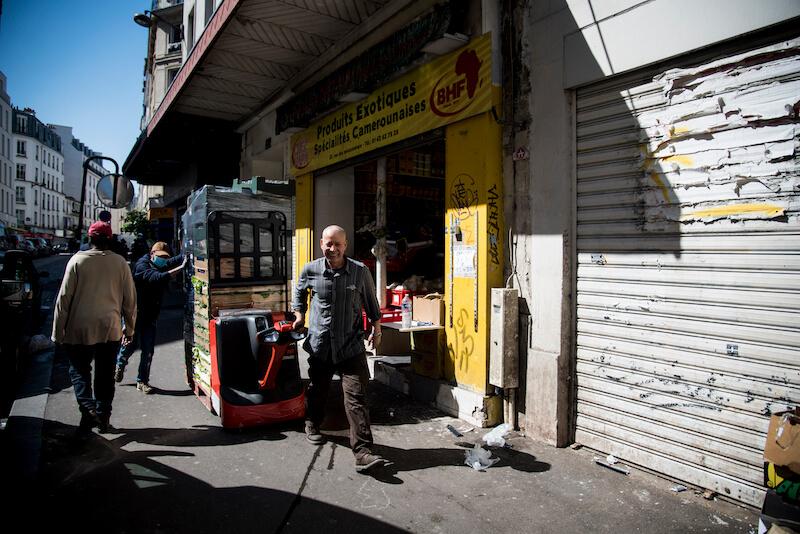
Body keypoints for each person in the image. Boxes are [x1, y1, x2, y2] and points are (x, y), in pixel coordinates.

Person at [292, 225, 388, 473]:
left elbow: (371, 303)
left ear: (345, 245)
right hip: (320, 345)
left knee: (356, 398)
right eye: (328, 244)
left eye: (338, 244)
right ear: (321, 243)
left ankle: (363, 452)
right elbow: (299, 294)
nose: (332, 249)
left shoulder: (359, 272)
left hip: (350, 346)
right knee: (318, 390)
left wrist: (376, 330)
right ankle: (312, 423)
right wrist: (299, 315)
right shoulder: (310, 269)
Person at [52, 221, 136, 435]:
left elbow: (64, 299)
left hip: (78, 328)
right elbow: (130, 300)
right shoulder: (120, 263)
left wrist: (57, 332)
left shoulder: (77, 261)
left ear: (90, 239)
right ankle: (103, 417)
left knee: (79, 371)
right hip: (110, 327)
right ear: (110, 239)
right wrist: (130, 328)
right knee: (105, 374)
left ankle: (88, 409)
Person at [114, 241, 185, 393]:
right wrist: (180, 268)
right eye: (160, 257)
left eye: (165, 258)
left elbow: (169, 263)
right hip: (134, 315)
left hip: (151, 315)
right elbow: (156, 277)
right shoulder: (142, 265)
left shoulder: (160, 263)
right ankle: (119, 365)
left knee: (148, 350)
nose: (163, 260)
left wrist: (185, 255)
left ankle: (142, 381)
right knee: (129, 346)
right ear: (152, 254)